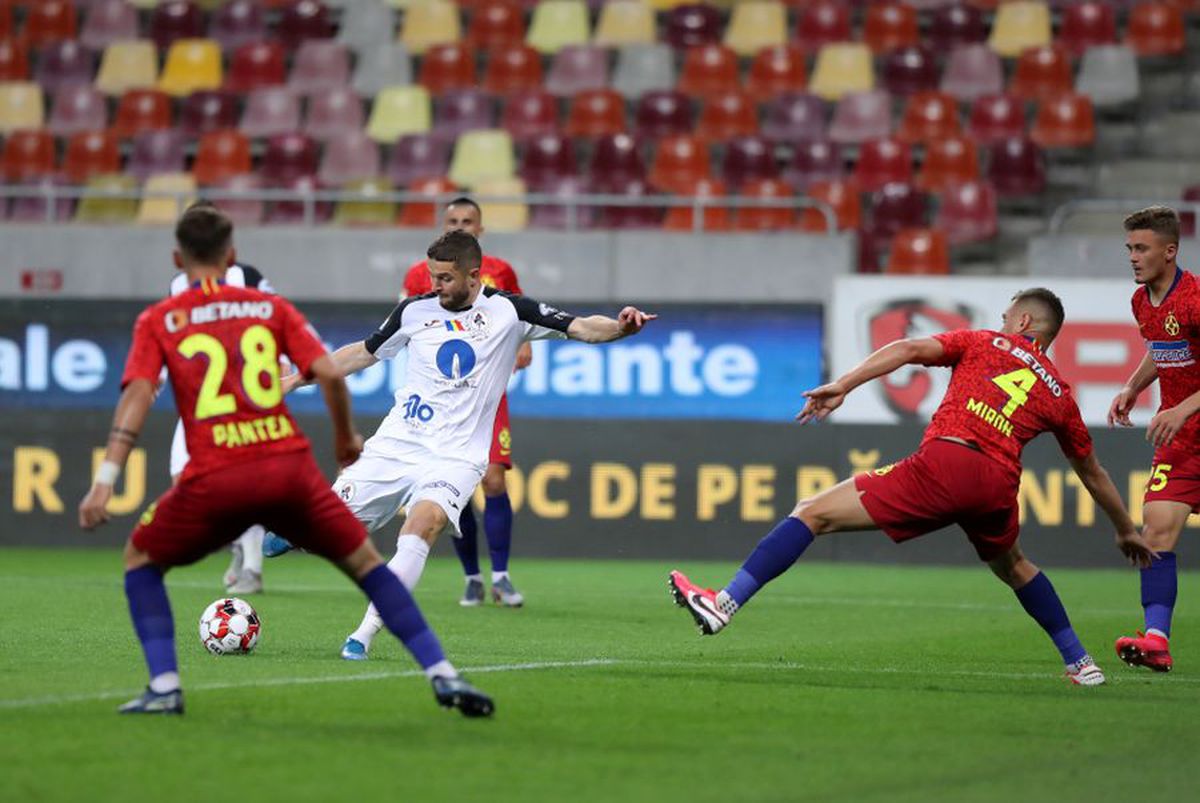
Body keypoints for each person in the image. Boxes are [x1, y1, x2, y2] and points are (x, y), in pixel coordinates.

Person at [77, 204, 493, 717]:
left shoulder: (161, 318)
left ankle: (165, 686)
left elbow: (138, 396)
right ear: (232, 256)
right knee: (367, 564)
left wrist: (105, 478)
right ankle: (442, 674)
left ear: (176, 259)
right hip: (283, 467)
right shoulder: (268, 309)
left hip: (215, 472)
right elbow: (328, 370)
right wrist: (345, 441)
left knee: (141, 560)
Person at [669, 288, 1156, 686]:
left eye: (1009, 316)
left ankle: (723, 604)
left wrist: (845, 384)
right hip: (997, 485)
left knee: (812, 511)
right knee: (1016, 567)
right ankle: (1080, 663)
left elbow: (905, 348)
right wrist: (1124, 529)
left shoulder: (985, 341)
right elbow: (1092, 471)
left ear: (1025, 323)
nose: (1004, 322)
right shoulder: (1060, 393)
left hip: (949, 459)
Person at [281, 230, 655, 661]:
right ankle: (297, 534)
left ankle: (363, 633)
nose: (434, 287)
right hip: (399, 444)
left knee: (422, 526)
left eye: (443, 279)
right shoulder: (413, 312)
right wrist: (296, 379)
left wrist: (623, 328)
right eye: (431, 277)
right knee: (327, 532)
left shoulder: (511, 311)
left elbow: (583, 327)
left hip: (457, 457)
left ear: (473, 275)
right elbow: (360, 353)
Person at [403, 197, 531, 608]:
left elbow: (521, 317)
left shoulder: (500, 271)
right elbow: (405, 326)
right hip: (442, 398)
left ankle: (503, 577)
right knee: (451, 487)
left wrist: (524, 345)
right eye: (453, 221)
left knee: (494, 479)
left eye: (468, 221)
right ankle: (472, 578)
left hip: (488, 395)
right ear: (443, 228)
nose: (461, 225)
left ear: (481, 228)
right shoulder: (420, 276)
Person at [1109, 206, 1199, 673]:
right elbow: (1161, 351)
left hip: (1185, 421)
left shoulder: (1196, 298)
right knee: (1156, 532)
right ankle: (1156, 640)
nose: (1133, 257)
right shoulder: (1142, 302)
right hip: (1183, 443)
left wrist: (1182, 407)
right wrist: (1133, 386)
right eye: (1129, 248)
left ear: (1170, 251)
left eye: (1141, 248)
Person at [168, 256, 275, 595]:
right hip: (200, 399)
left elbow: (277, 315)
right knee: (184, 479)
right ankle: (241, 546)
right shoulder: (178, 284)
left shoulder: (247, 275)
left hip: (243, 393)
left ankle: (252, 568)